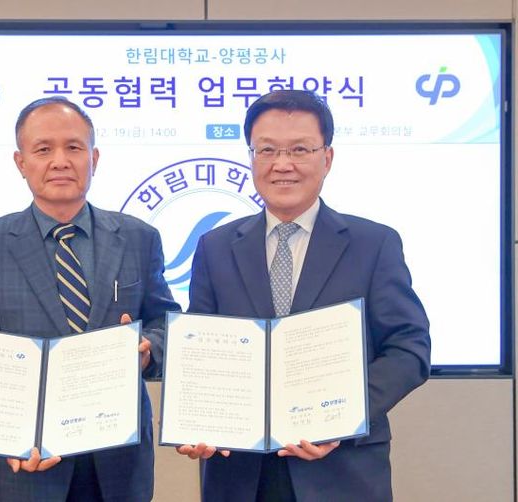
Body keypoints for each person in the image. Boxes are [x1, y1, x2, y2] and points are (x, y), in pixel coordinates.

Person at [177, 90, 431, 501]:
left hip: (341, 472)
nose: (282, 164)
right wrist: (196, 421)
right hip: (239, 476)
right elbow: (202, 352)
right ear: (251, 157)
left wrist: (344, 416)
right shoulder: (215, 246)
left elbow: (409, 348)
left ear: (326, 158)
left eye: (299, 149)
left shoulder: (374, 243)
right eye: (267, 150)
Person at [0, 96, 180, 501]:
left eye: (73, 147)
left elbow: (166, 323)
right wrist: (9, 439)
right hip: (26, 465)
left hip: (119, 462)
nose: (60, 161)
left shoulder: (138, 238)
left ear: (94, 158)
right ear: (21, 162)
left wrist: (148, 350)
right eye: (43, 150)